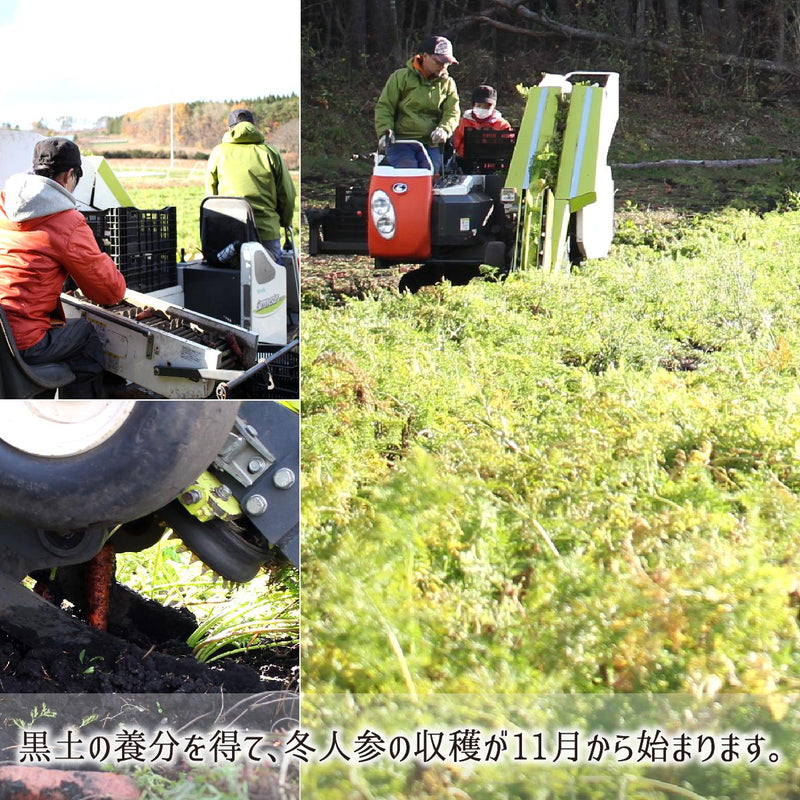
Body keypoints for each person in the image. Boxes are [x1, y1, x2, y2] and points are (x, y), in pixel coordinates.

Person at [0, 137, 126, 398]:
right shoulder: (66, 221)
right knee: (85, 336)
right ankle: (80, 422)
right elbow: (110, 292)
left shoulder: (4, 206)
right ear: (70, 175)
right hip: (24, 341)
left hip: (4, 331)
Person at [205, 109, 296, 265]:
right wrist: (285, 222)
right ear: (253, 127)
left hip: (228, 234)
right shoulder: (270, 152)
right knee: (271, 279)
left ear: (229, 129)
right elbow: (287, 195)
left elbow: (210, 197)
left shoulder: (218, 153)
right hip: (265, 233)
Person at [375, 35, 460, 172]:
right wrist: (385, 132)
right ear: (425, 56)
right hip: (401, 142)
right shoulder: (400, 77)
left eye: (447, 63)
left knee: (431, 172)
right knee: (408, 169)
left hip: (431, 143)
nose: (443, 66)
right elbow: (385, 107)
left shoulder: (448, 83)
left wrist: (444, 129)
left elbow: (452, 112)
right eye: (439, 61)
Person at [453, 84, 513, 157]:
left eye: (487, 106)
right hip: (465, 163)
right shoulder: (463, 122)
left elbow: (507, 150)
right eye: (479, 105)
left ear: (494, 107)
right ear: (473, 105)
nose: (483, 109)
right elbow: (455, 144)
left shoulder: (503, 125)